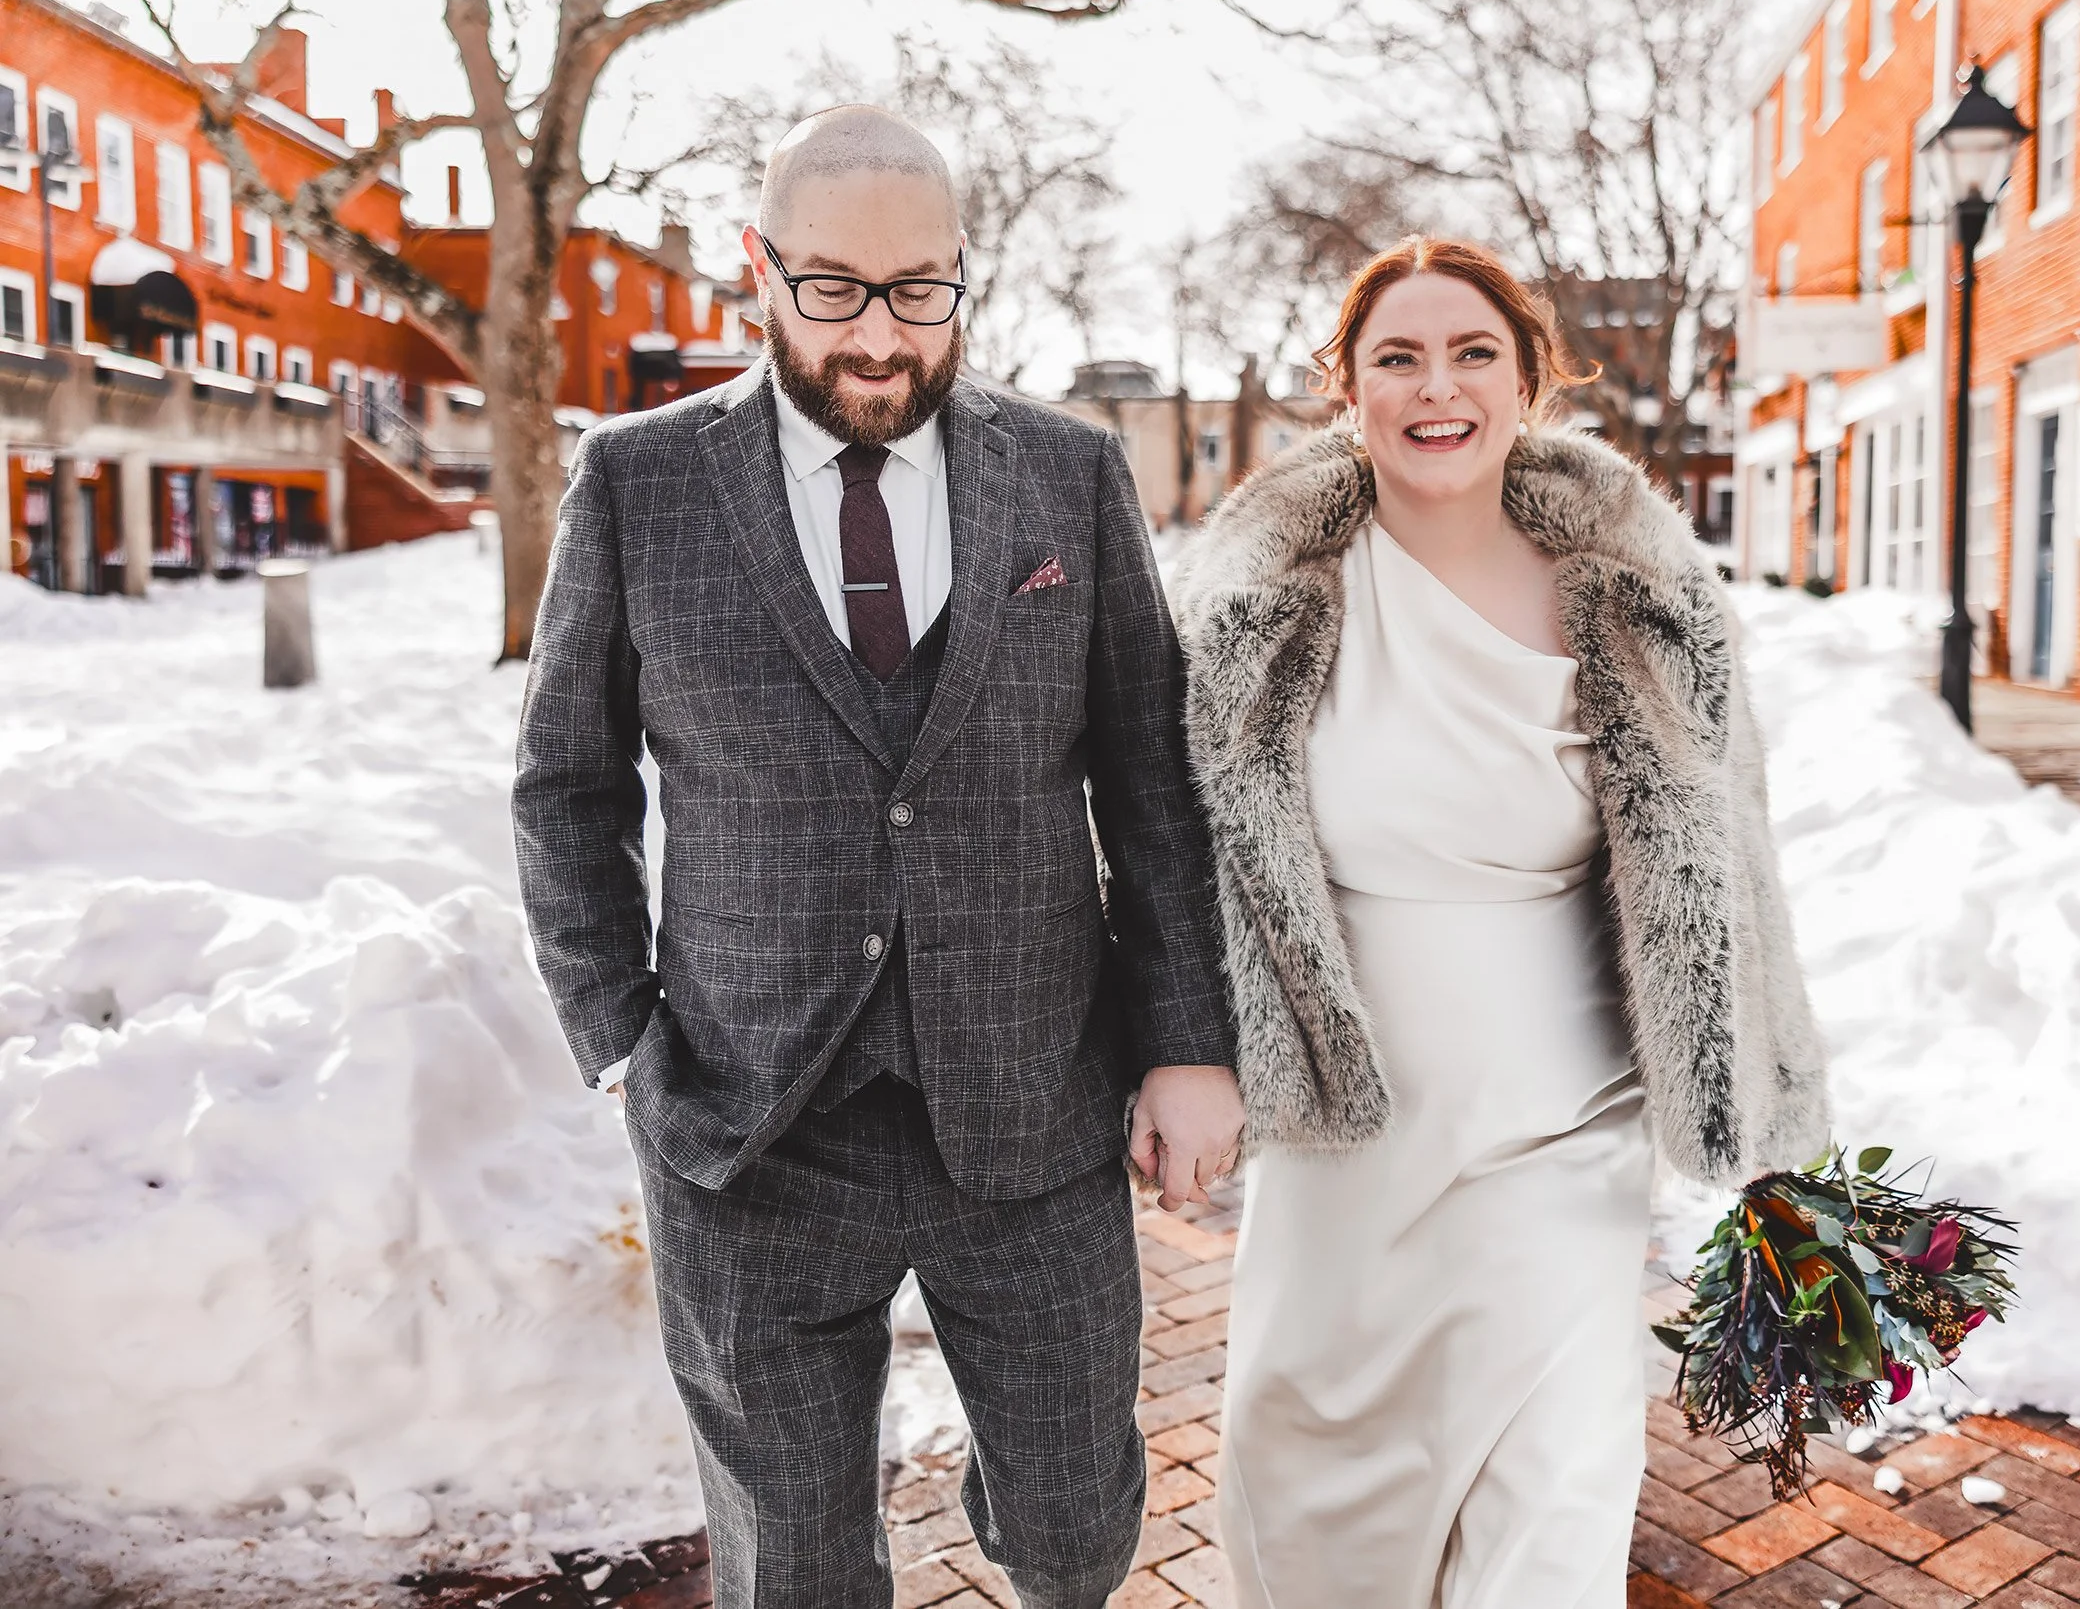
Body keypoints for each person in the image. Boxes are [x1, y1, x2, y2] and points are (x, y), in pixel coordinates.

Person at [511, 106, 1244, 1609]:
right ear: (758, 270)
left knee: (1076, 1526)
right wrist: (621, 1039)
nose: (881, 336)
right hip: (747, 1121)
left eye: (922, 290)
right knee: (795, 1566)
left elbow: (1151, 783)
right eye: (834, 287)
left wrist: (1186, 1042)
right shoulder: (638, 481)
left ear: (964, 275)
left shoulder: (1072, 475)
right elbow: (566, 781)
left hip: (1034, 1106)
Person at [1173, 237, 1830, 1608]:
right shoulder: (1261, 608)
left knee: (1552, 1509)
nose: (1436, 388)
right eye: (1397, 357)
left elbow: (1731, 865)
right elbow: (1171, 855)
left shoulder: (1641, 598)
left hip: (1560, 1145)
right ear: (1345, 387)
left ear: (1531, 377)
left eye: (1473, 352)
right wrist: (1172, 1055)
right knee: (1314, 1518)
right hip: (1345, 1151)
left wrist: (1772, 1112)